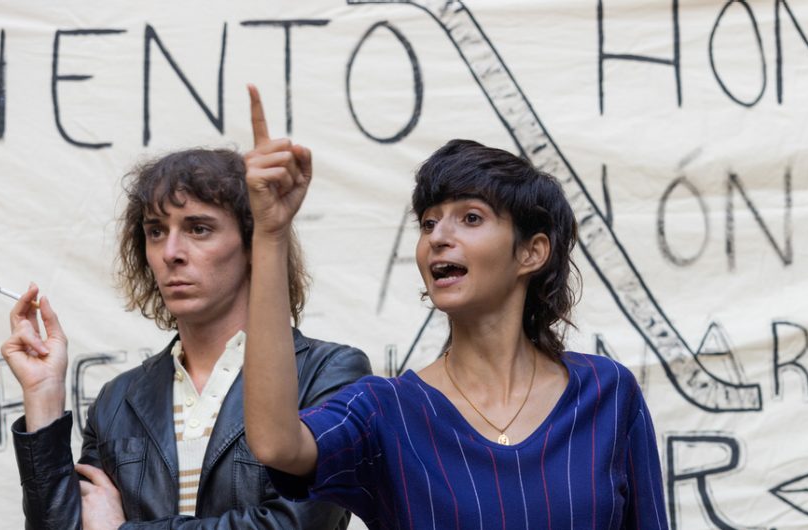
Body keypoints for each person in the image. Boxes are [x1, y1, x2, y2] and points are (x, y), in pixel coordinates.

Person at [240, 85, 669, 529]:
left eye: (471, 218)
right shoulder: (387, 410)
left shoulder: (608, 394)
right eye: (428, 222)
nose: (438, 236)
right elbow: (277, 444)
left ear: (532, 253)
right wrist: (271, 235)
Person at [1, 148, 371, 529]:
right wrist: (43, 396)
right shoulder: (117, 401)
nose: (171, 253)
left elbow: (296, 525)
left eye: (198, 228)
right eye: (156, 231)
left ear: (252, 243)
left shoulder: (328, 373)